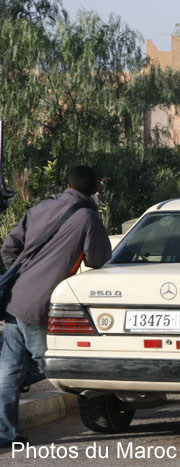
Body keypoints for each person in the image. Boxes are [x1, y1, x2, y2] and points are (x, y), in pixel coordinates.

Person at [0, 166, 112, 448]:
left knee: (10, 369)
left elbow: (8, 247)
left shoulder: (41, 208)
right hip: (41, 305)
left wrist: (25, 276)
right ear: (95, 191)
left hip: (15, 297)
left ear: (67, 185)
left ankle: (6, 434)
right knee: (49, 365)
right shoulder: (88, 217)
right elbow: (98, 260)